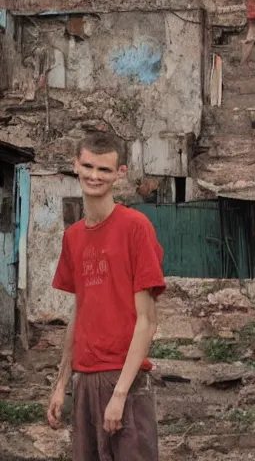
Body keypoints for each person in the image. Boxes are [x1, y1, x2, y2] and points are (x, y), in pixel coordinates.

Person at [47, 131, 165, 460]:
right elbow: (79, 313)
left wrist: (120, 393)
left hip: (123, 378)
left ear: (120, 173)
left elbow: (147, 320)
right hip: (84, 381)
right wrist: (61, 384)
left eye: (104, 170)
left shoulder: (135, 227)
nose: (94, 176)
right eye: (88, 166)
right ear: (76, 165)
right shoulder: (72, 238)